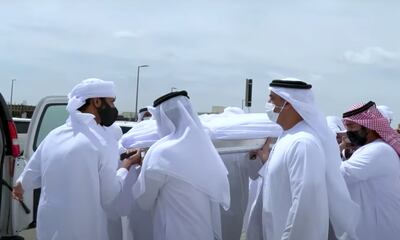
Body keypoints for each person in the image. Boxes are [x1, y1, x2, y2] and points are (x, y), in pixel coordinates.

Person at [12, 78, 141, 240]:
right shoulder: (102, 141)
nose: (114, 108)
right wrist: (126, 165)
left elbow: (30, 174)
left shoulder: (53, 136)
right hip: (84, 232)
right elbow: (110, 196)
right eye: (111, 102)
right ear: (96, 102)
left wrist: (19, 187)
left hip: (50, 231)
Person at [247, 79, 359, 240]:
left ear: (289, 103)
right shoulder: (287, 137)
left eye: (272, 98)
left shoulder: (303, 143)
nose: (267, 103)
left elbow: (305, 206)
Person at [131, 90, 230, 240]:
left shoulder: (161, 152)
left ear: (164, 119)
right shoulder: (204, 148)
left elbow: (144, 200)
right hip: (204, 233)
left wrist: (138, 168)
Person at [340, 101, 400, 240]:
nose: (349, 132)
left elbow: (340, 175)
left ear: (368, 127)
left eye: (352, 127)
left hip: (379, 231)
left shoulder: (378, 150)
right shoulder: (371, 148)